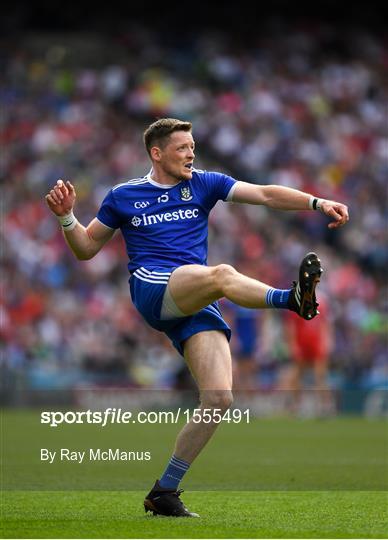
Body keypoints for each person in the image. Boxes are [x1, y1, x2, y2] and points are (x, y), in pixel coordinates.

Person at [45, 118, 349, 517]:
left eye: (193, 146)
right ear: (157, 153)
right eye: (182, 147)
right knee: (223, 275)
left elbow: (265, 195)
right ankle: (292, 299)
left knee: (219, 398)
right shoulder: (124, 195)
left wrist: (315, 201)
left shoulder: (204, 183)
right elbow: (85, 248)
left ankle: (164, 491)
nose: (191, 153)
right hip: (154, 287)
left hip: (194, 297)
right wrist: (68, 218)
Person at [283, 294, 334, 416]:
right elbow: (290, 326)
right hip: (302, 345)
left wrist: (327, 341)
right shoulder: (297, 303)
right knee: (296, 377)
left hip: (317, 344)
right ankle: (296, 406)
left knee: (320, 376)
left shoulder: (322, 303)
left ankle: (325, 407)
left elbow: (325, 324)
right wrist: (292, 345)